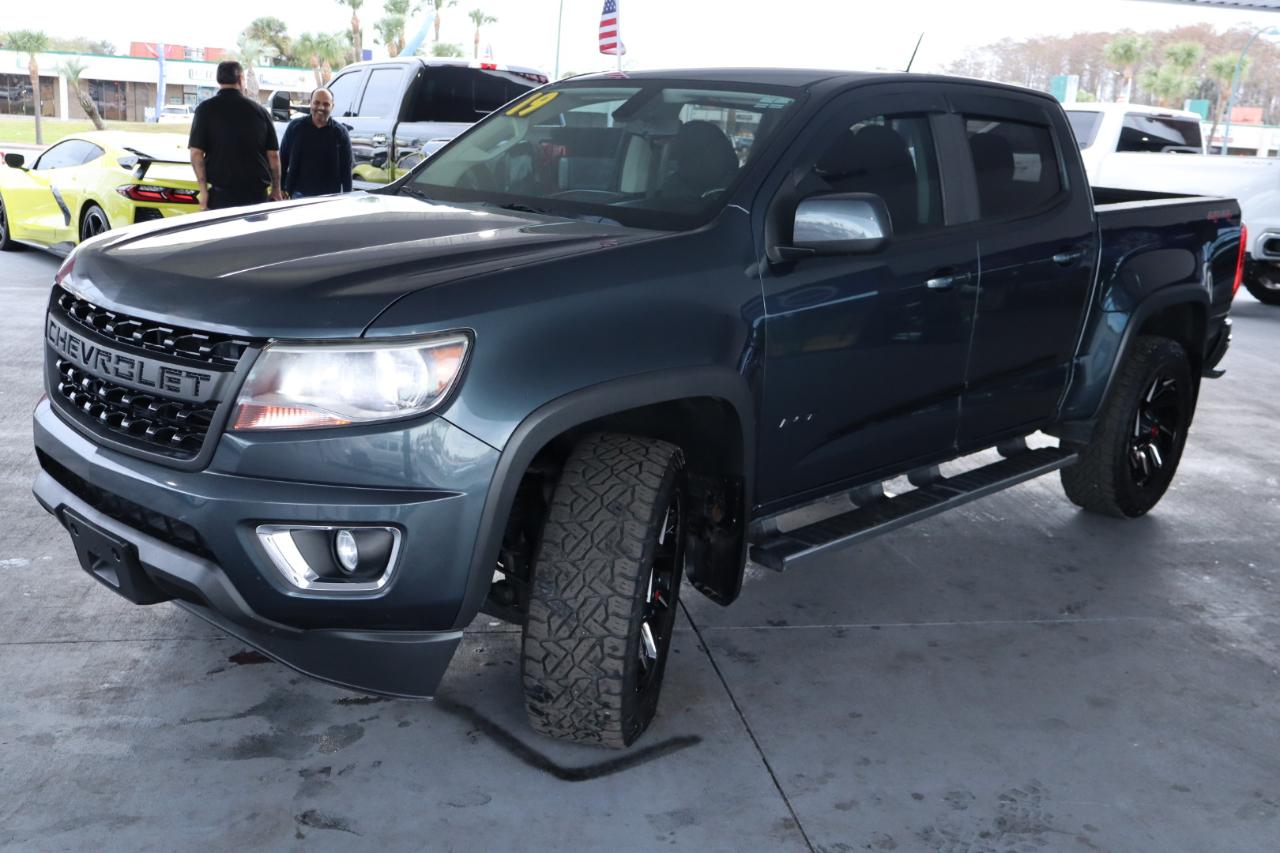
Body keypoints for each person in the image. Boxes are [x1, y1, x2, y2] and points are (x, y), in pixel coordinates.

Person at [188, 61, 284, 210]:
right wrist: (276, 189)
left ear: (219, 80)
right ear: (240, 79)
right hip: (256, 198)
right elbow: (273, 155)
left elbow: (196, 153)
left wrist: (203, 191)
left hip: (221, 198)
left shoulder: (205, 110)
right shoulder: (260, 112)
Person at [279, 88, 353, 198]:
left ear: (332, 106)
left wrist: (348, 197)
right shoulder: (295, 127)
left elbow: (346, 170)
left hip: (329, 198)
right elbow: (282, 160)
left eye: (326, 104)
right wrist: (280, 188)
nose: (321, 107)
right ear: (310, 103)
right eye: (316, 103)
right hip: (298, 195)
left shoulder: (341, 133)